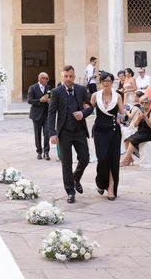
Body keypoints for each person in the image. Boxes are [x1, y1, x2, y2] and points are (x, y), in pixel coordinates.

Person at [48, 65, 93, 204]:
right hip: (64, 132)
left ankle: (75, 178)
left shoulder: (81, 89)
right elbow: (51, 113)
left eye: (71, 76)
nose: (68, 79)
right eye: (66, 76)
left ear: (74, 76)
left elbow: (91, 106)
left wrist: (83, 113)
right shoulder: (56, 92)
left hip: (79, 131)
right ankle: (70, 192)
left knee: (85, 158)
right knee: (66, 163)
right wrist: (52, 133)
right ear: (63, 76)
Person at [90, 72, 124, 200]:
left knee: (113, 161)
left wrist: (131, 115)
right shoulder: (95, 96)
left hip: (114, 131)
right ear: (100, 82)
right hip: (99, 131)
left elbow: (122, 113)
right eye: (103, 81)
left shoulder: (117, 96)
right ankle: (100, 182)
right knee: (102, 159)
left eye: (108, 81)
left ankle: (111, 188)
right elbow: (89, 110)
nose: (106, 83)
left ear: (112, 82)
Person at [120, 96, 151, 167]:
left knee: (133, 140)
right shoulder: (141, 112)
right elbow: (135, 125)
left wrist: (145, 118)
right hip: (141, 133)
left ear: (149, 103)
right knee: (126, 141)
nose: (144, 104)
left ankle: (125, 160)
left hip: (149, 134)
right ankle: (130, 159)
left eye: (146, 103)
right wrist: (138, 119)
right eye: (142, 103)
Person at [27, 72, 51, 160]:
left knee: (47, 133)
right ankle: (39, 152)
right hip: (36, 114)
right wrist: (40, 100)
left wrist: (49, 100)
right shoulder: (33, 88)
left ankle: (46, 152)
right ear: (41, 79)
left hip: (46, 114)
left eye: (48, 78)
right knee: (37, 134)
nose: (47, 80)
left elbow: (50, 97)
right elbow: (29, 101)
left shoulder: (48, 88)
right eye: (46, 78)